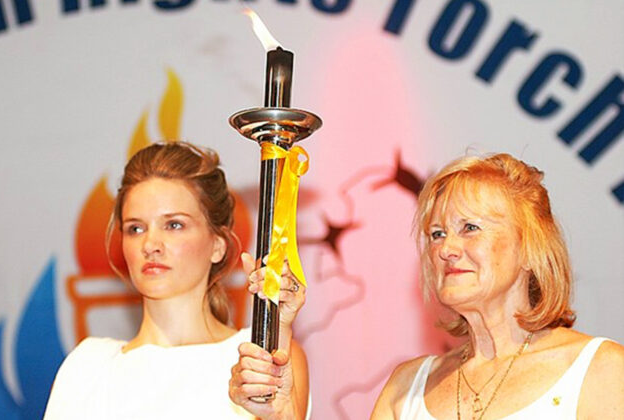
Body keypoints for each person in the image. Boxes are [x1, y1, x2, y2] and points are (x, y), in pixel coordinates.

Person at [44, 142, 309, 419]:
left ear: (218, 244)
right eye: (136, 228)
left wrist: (280, 415)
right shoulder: (89, 366)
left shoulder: (259, 359)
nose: (150, 244)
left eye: (174, 225)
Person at [371, 153, 624, 420]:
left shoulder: (602, 371)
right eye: (437, 234)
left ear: (530, 249)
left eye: (470, 227)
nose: (446, 249)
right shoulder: (406, 389)